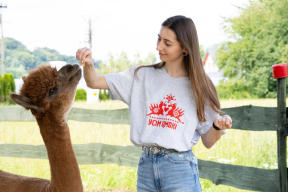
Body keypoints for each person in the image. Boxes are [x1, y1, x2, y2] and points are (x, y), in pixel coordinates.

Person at [76, 15, 232, 192]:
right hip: (146, 168)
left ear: (185, 49)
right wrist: (88, 64)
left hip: (180, 171)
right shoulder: (140, 76)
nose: (158, 47)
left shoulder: (199, 86)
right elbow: (94, 82)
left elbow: (209, 141)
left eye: (167, 43)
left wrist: (217, 126)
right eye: (159, 39)